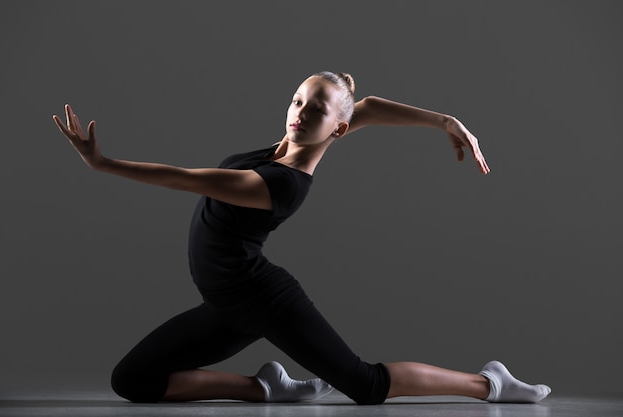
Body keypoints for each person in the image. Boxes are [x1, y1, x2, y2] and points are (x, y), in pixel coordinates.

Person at [53, 71, 551, 405]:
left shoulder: (279, 183)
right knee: (132, 381)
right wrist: (446, 121)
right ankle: (265, 388)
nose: (298, 114)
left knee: (365, 384)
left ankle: (489, 384)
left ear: (338, 129)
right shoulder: (285, 146)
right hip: (225, 304)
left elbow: (184, 177)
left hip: (260, 298)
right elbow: (371, 106)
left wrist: (101, 163)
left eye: (315, 111)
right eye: (297, 101)